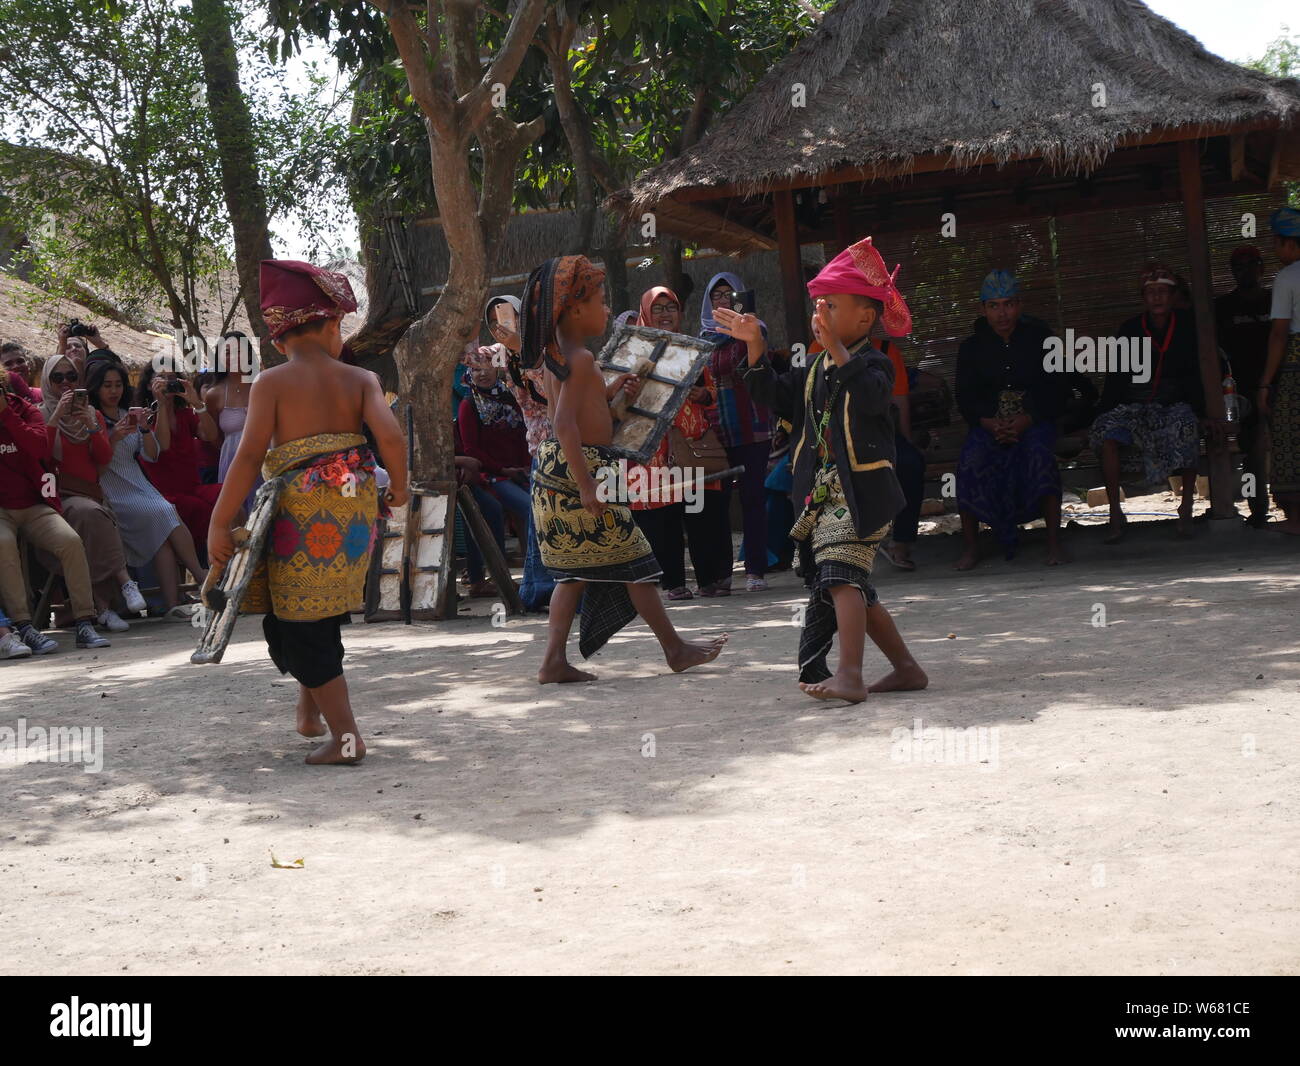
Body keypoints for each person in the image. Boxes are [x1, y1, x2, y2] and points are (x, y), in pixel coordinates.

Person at [210, 259, 409, 765]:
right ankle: (310, 712)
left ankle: (347, 739)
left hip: (302, 510)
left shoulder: (271, 383)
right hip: (354, 506)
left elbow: (250, 455)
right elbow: (390, 436)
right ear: (332, 325)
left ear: (278, 340)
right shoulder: (361, 377)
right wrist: (400, 490)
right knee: (317, 606)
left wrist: (219, 519)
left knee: (301, 617)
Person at [725, 236, 928, 703]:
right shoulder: (813, 368)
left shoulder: (875, 363)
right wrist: (755, 345)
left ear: (865, 317)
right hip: (821, 494)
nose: (821, 315)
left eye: (831, 305)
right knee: (854, 586)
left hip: (863, 493)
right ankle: (906, 668)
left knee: (839, 575)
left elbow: (875, 398)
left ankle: (850, 676)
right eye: (820, 306)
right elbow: (773, 396)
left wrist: (838, 350)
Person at [518, 254, 727, 683]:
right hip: (583, 474)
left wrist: (614, 396)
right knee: (639, 564)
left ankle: (553, 661)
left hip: (556, 472)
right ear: (576, 308)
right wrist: (588, 486)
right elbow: (564, 423)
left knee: (573, 573)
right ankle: (675, 649)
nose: (608, 309)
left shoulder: (562, 355)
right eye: (600, 300)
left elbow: (591, 416)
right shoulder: (580, 360)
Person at [953, 270, 1066, 568]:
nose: (1002, 313)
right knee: (970, 461)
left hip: (1032, 421)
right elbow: (964, 397)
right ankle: (971, 547)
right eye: (994, 305)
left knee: (1041, 456)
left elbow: (1057, 389)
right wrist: (988, 423)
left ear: (1019, 305)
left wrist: (1028, 418)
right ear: (983, 309)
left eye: (1008, 304)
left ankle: (1054, 543)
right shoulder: (971, 349)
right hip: (989, 424)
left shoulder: (1042, 341)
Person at [1089, 263, 1206, 542]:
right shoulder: (1130, 329)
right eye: (1151, 292)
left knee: (1188, 425)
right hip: (1133, 406)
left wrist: (1203, 411)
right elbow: (1117, 377)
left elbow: (1195, 374)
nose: (1157, 298)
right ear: (1144, 297)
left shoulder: (1187, 327)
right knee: (1108, 436)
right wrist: (1101, 413)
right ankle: (1116, 513)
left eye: (1163, 292)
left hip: (1172, 404)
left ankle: (1186, 507)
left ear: (1173, 295)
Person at [84, 359, 208, 618]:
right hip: (111, 489)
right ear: (95, 388)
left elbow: (153, 455)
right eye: (107, 385)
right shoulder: (91, 420)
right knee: (164, 511)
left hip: (139, 486)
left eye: (118, 384)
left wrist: (144, 428)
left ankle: (172, 604)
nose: (113, 391)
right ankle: (201, 575)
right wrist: (113, 437)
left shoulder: (127, 413)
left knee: (162, 533)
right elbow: (96, 469)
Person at [0, 371, 110, 651]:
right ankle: (24, 627)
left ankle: (85, 621)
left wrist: (6, 416)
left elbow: (39, 447)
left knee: (70, 542)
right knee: (3, 544)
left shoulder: (23, 409)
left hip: (35, 504)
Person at [39, 356, 148, 630]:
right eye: (58, 378)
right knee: (91, 516)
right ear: (47, 382)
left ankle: (103, 608)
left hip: (91, 493)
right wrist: (55, 418)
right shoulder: (38, 414)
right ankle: (123, 583)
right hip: (57, 495)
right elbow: (41, 457)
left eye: (71, 377)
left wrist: (93, 426)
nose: (65, 383)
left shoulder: (91, 414)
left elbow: (103, 457)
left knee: (93, 518)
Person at [630, 285, 723, 599]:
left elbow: (712, 393)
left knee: (699, 513)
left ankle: (709, 579)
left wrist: (704, 394)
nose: (665, 314)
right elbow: (620, 395)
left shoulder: (696, 348)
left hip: (692, 442)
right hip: (653, 446)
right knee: (663, 517)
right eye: (658, 308)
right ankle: (673, 583)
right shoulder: (634, 350)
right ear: (646, 313)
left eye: (671, 308)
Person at [700, 272, 772, 592]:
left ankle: (756, 570)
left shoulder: (755, 331)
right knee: (717, 503)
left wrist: (746, 328)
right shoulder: (703, 339)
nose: (723, 300)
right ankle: (723, 573)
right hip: (717, 432)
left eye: (729, 293)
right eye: (717, 295)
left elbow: (758, 366)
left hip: (752, 427)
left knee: (753, 500)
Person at [484, 295, 555, 611]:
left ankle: (547, 590)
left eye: (511, 315)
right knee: (543, 519)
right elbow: (473, 361)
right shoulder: (502, 356)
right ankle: (540, 590)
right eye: (496, 319)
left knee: (550, 519)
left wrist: (521, 346)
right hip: (541, 446)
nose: (503, 323)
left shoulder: (543, 351)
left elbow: (547, 388)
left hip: (565, 440)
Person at [136, 359, 222, 562]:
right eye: (161, 378)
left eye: (172, 378)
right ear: (149, 384)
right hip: (165, 494)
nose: (167, 382)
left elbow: (210, 435)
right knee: (199, 509)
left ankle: (230, 563)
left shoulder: (184, 415)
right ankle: (210, 567)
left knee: (228, 495)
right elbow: (163, 446)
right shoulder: (145, 417)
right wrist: (162, 405)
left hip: (194, 486)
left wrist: (196, 402)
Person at [1216, 246, 1274, 527]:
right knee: (1250, 453)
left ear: (1261, 267)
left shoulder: (1276, 301)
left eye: (1251, 264)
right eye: (1238, 266)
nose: (1245, 270)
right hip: (1241, 390)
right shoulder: (1223, 308)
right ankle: (1258, 510)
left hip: (1279, 383)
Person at [1258, 207, 1300, 534]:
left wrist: (1266, 383)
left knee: (1288, 435)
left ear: (1289, 244)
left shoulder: (1287, 278)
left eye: (1276, 242)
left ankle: (1297, 520)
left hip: (1295, 364)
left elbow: (1278, 334)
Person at [878, 336, 926, 570]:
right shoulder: (819, 348)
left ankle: (901, 541)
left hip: (879, 435)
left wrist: (906, 440)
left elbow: (899, 399)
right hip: (835, 437)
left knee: (910, 462)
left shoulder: (886, 350)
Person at [203, 332, 262, 514]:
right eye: (227, 352)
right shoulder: (214, 394)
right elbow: (214, 437)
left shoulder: (263, 384)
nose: (234, 356)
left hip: (265, 462)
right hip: (232, 464)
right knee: (238, 522)